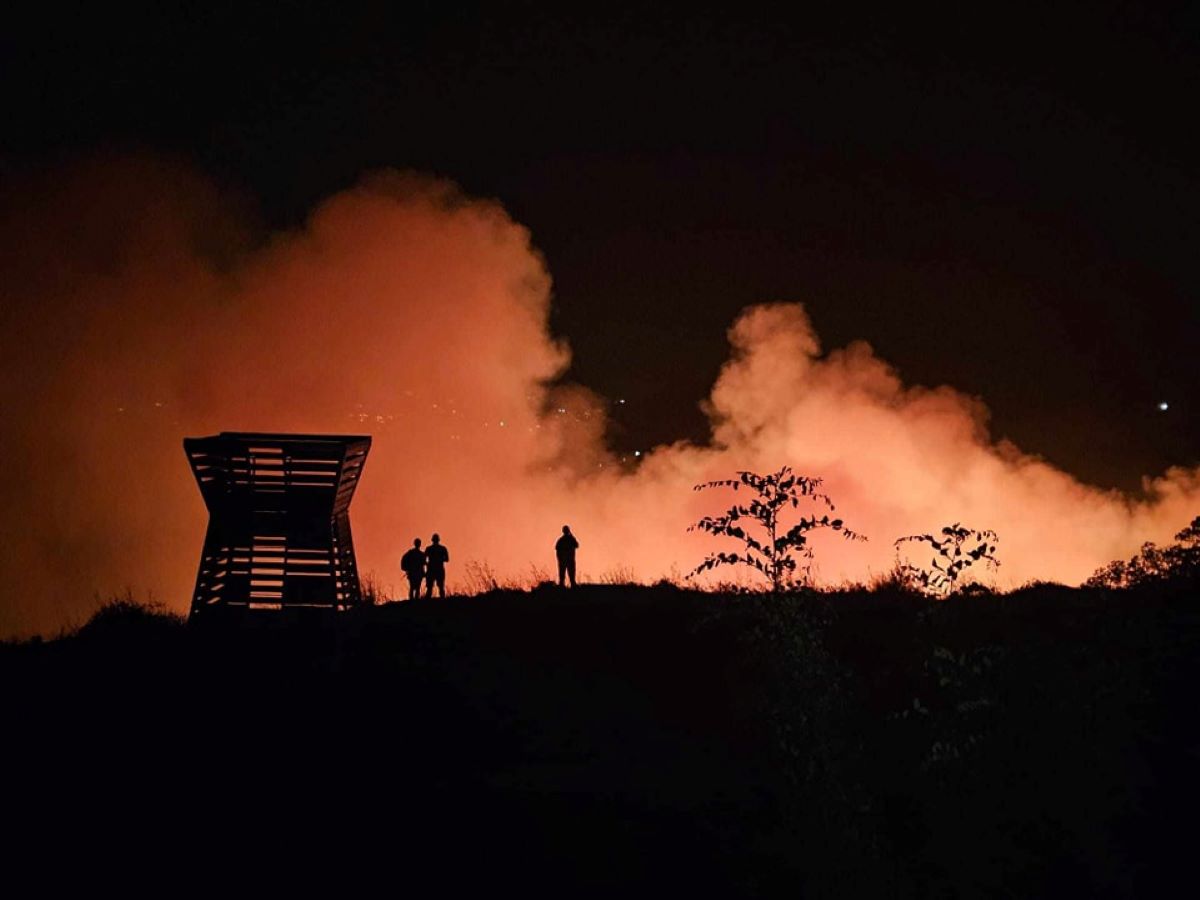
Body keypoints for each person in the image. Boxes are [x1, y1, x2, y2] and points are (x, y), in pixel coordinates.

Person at [424, 533, 450, 598]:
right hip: (438, 569)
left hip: (432, 569)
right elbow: (447, 559)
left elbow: (423, 559)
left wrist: (428, 563)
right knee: (440, 587)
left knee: (431, 588)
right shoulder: (442, 548)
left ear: (432, 540)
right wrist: (440, 559)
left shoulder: (429, 548)